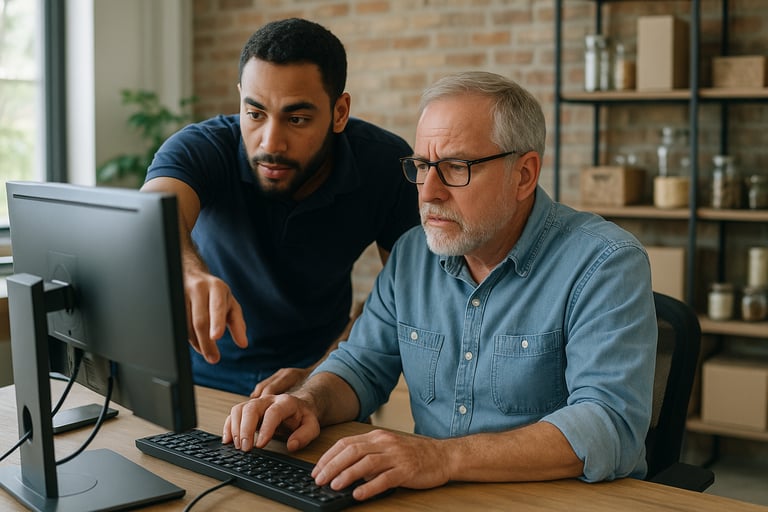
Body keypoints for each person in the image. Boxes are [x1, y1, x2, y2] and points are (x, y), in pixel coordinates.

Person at [223, 70, 658, 501]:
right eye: (421, 166)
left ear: (524, 175)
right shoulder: (413, 254)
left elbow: (609, 425)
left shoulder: (605, 263)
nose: (428, 191)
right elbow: (361, 365)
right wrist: (310, 401)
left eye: (454, 167)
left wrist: (442, 458)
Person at [141, 18, 419, 396]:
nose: (271, 143)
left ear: (339, 112)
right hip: (199, 376)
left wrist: (324, 374)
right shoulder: (200, 147)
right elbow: (156, 213)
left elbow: (406, 294)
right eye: (254, 114)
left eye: (297, 119)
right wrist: (188, 272)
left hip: (324, 373)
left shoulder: (385, 164)